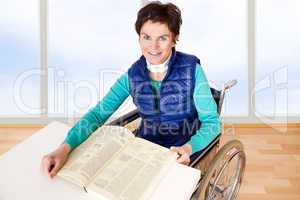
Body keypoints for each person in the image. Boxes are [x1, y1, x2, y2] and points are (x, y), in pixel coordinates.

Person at [41, 1, 220, 179]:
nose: (153, 46)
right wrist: (64, 148)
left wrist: (188, 148)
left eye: (163, 38)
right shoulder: (132, 76)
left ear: (174, 38)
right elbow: (97, 115)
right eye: (146, 37)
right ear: (139, 37)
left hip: (186, 150)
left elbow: (212, 124)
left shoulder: (192, 69)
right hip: (147, 149)